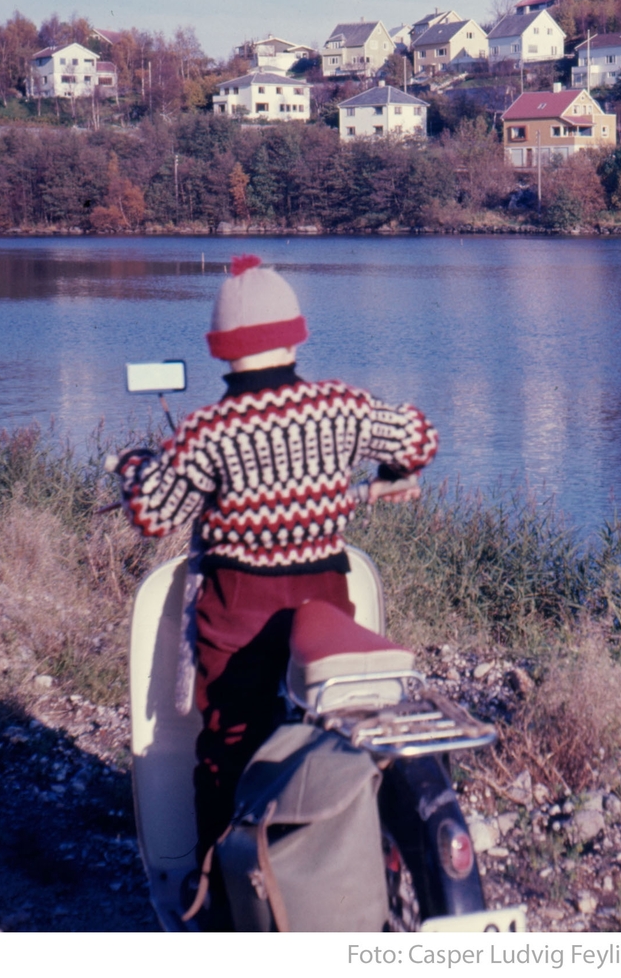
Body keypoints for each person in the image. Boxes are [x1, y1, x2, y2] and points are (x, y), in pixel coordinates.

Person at [114, 254, 437, 858]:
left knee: (228, 741)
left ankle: (219, 894)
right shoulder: (340, 407)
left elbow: (151, 514)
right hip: (325, 601)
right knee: (330, 730)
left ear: (220, 348)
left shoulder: (206, 431)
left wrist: (134, 466)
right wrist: (391, 472)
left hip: (238, 605)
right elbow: (420, 436)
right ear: (295, 335)